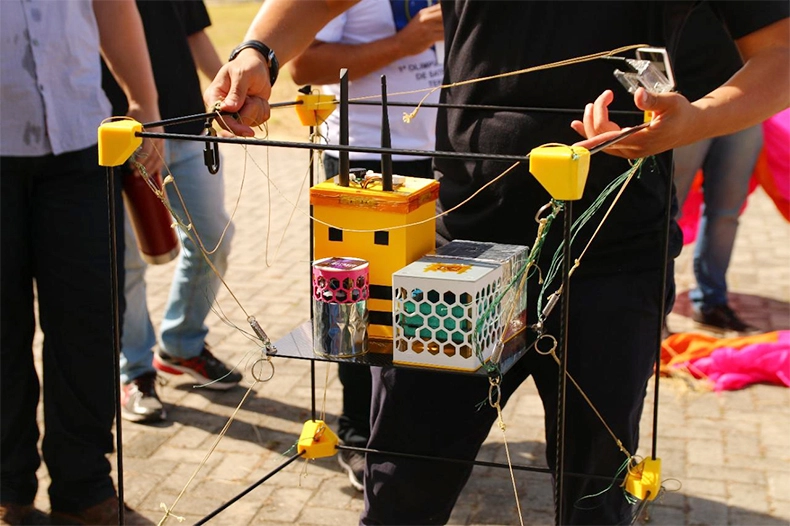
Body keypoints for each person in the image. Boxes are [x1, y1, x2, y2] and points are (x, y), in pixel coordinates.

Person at [205, 1, 789, 524]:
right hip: (461, 251)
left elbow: (780, 50)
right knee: (401, 488)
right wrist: (259, 50)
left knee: (595, 502)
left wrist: (698, 120)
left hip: (614, 253)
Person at [0, 0, 163, 523]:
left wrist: (144, 102)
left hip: (81, 141)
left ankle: (84, 488)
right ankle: (8, 490)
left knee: (91, 321)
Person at [286, 0, 443, 490]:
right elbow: (301, 64)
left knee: (427, 301)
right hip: (364, 158)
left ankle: (414, 428)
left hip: (444, 152)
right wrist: (405, 43)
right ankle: (358, 431)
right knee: (362, 305)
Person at [102, 0, 241, 424]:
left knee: (213, 237)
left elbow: (194, 32)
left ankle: (181, 345)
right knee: (124, 263)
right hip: (116, 133)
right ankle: (135, 372)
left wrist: (231, 95)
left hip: (187, 123)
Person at [671, 5, 763, 333]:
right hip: (684, 103)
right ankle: (654, 313)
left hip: (744, 108)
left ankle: (712, 302)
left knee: (726, 211)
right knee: (665, 213)